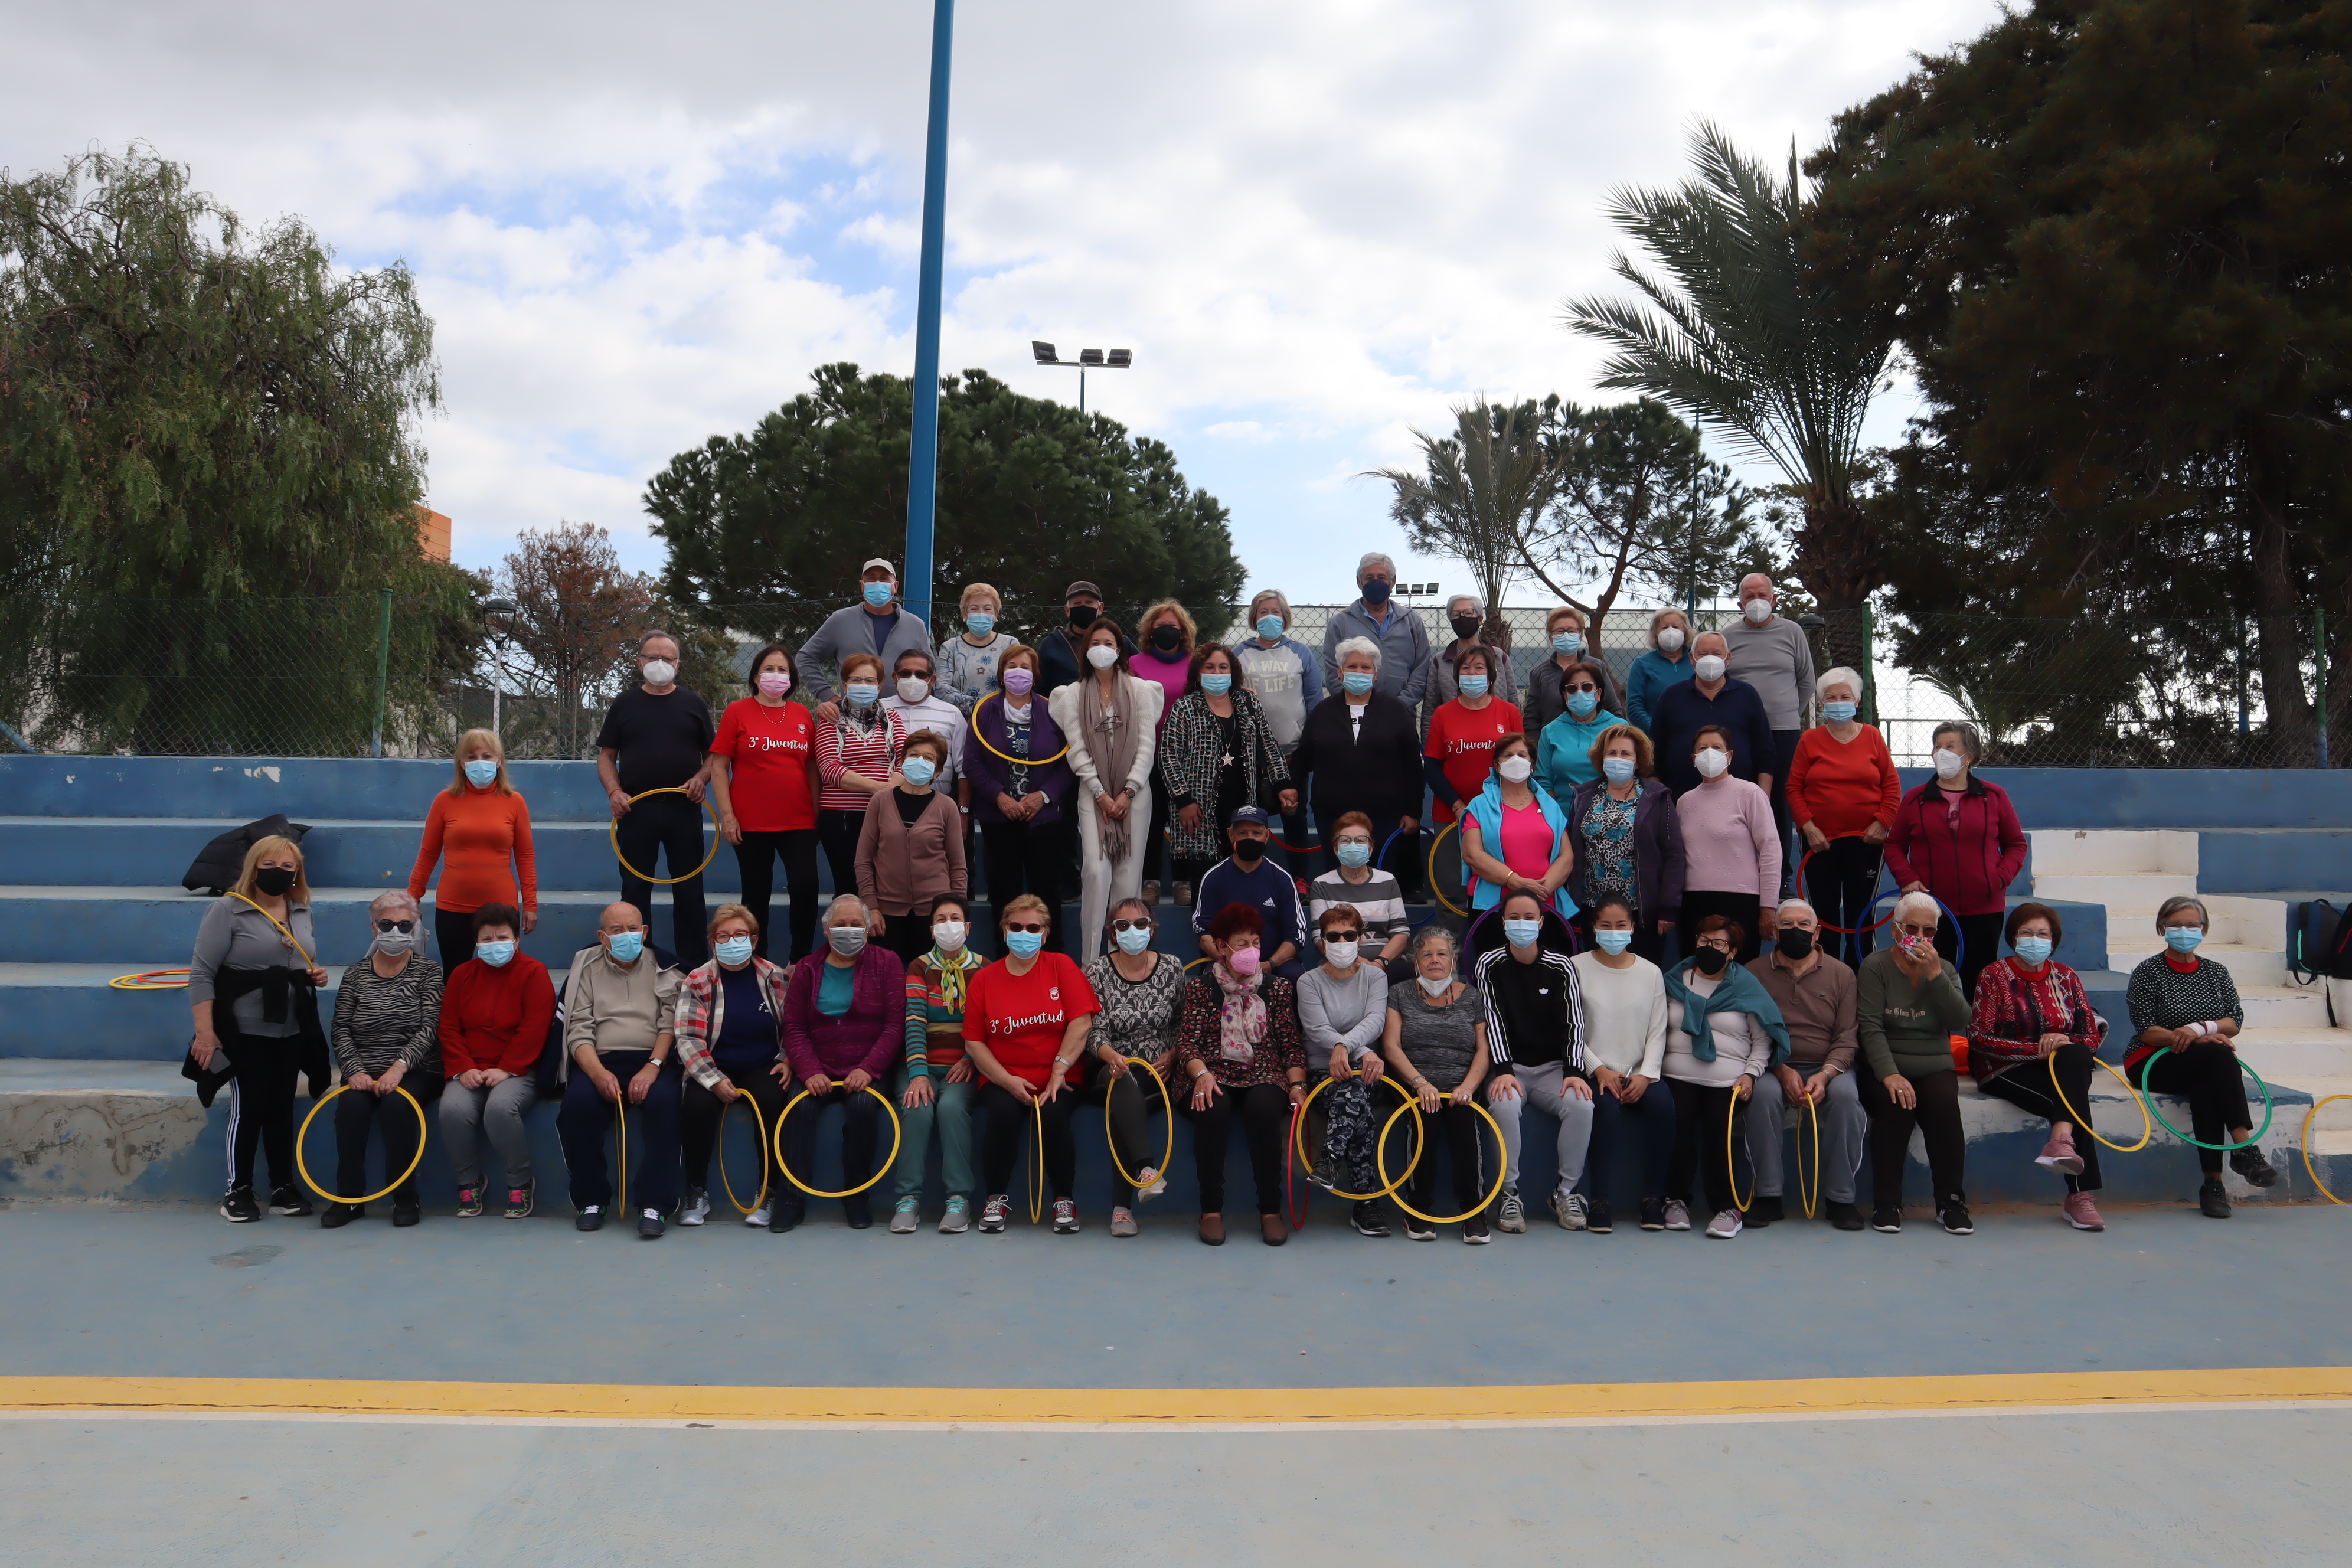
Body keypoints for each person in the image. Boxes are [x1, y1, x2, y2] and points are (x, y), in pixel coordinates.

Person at [190, 834, 329, 1224]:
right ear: (254, 868)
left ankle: (282, 1187)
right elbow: (202, 974)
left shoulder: (300, 909)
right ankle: (238, 1190)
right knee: (248, 1107)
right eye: (269, 866)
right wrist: (205, 1034)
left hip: (290, 1029)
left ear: (297, 870)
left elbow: (298, 959)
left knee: (281, 1108)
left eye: (288, 866)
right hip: (243, 1030)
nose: (279, 873)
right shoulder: (228, 910)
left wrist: (312, 975)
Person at [2124, 896, 2283, 1217]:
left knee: (2209, 1081)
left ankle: (2213, 1186)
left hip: (2204, 1061)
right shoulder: (2148, 972)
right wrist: (2195, 1039)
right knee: (2218, 1054)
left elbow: (2233, 1021)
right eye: (2176, 925)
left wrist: (2200, 1029)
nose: (2185, 930)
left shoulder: (2215, 972)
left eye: (2193, 925)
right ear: (2162, 928)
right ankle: (2243, 1148)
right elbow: (2147, 1030)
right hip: (2153, 1059)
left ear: (2204, 929)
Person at [961, 894, 1101, 1235]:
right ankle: (995, 1198)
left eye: (1033, 927)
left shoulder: (1061, 966)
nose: (1025, 933)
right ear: (1004, 929)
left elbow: (1082, 1022)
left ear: (1046, 932)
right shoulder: (984, 979)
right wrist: (1007, 1081)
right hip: (1002, 1076)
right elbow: (974, 1042)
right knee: (1004, 1114)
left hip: (1061, 1074)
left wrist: (1059, 1070)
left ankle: (1064, 1201)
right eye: (1017, 926)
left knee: (1054, 1114)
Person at [1173, 903, 1308, 1245]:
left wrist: (1296, 1085)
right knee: (1213, 1109)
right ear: (1221, 947)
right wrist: (1201, 1074)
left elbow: (1291, 1045)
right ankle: (1211, 1210)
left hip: (1263, 1070)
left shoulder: (1277, 989)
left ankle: (1271, 1211)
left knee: (1263, 1110)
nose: (1251, 950)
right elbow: (1187, 1043)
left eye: (1256, 942)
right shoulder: (1201, 988)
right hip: (1209, 1070)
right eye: (1242, 943)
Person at [1969, 902, 2108, 1231]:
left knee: (2074, 1053)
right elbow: (1979, 1038)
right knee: (2075, 1103)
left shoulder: (2067, 976)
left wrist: (2061, 1042)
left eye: (2042, 934)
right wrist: (2037, 1050)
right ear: (2013, 937)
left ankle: (2061, 1141)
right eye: (2026, 932)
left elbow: (2091, 1036)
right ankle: (2080, 1196)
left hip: (2060, 1068)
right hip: (2004, 1068)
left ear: (2054, 940)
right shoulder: (1994, 975)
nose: (2035, 939)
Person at [776, 894, 907, 1231]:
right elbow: (793, 1026)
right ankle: (791, 1200)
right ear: (826, 930)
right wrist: (809, 1070)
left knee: (863, 1106)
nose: (848, 930)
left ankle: (856, 1197)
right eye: (840, 924)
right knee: (797, 1110)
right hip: (817, 1066)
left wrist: (868, 1068)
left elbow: (895, 1025)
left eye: (855, 924)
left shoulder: (888, 962)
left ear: (867, 929)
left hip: (868, 1067)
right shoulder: (806, 968)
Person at [556, 901, 684, 1239]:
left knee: (666, 1104)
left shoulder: (666, 968)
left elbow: (670, 1025)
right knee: (577, 1106)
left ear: (644, 932)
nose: (626, 936)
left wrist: (653, 1067)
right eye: (616, 930)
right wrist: (597, 1073)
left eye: (632, 929)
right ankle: (591, 1200)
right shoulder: (585, 969)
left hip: (652, 1060)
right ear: (602, 936)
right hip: (600, 1060)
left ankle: (655, 1205)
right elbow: (578, 1030)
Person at [1660, 914, 1788, 1239]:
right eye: (1704, 941)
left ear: (1732, 951)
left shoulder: (1746, 986)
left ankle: (1727, 1208)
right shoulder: (1673, 981)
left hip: (1728, 1081)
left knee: (1720, 1127)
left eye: (1719, 943)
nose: (1710, 948)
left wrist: (1750, 1075)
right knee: (1679, 1123)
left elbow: (1763, 1040)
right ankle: (1674, 1200)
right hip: (1677, 1074)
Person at [1743, 898, 1867, 1231]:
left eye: (1803, 925)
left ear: (1817, 932)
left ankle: (1841, 1199)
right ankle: (1768, 1196)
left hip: (1830, 1067)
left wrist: (1826, 1076)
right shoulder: (1753, 973)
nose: (1795, 931)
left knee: (1846, 1100)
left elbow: (1847, 1037)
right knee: (1762, 1097)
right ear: (1774, 930)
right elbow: (1749, 1033)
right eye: (1787, 925)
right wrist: (1780, 1068)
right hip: (1773, 1065)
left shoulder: (1842, 975)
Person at [1856, 892, 1976, 1235]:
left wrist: (1935, 974)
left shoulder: (1946, 970)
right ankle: (1887, 1202)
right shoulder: (1875, 966)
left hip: (1934, 1061)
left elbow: (1960, 1017)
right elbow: (1870, 1027)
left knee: (1943, 1107)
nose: (1921, 938)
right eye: (1912, 928)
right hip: (1887, 1061)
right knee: (1894, 1108)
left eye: (1929, 931)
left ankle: (1950, 1201)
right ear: (1895, 930)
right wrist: (1890, 1074)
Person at [322, 891, 444, 1228]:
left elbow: (430, 1027)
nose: (395, 931)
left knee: (397, 1107)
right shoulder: (356, 974)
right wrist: (354, 1071)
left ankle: (405, 1196)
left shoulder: (429, 972)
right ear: (374, 928)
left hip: (418, 1070)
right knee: (350, 1108)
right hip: (364, 1069)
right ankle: (348, 1199)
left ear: (416, 928)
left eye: (405, 925)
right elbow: (341, 1028)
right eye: (387, 924)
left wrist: (399, 1068)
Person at [1475, 889, 1594, 1234]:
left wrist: (1574, 1071)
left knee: (1582, 1105)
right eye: (1514, 917)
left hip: (1553, 1070)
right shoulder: (1488, 964)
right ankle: (1509, 1194)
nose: (1522, 924)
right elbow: (1492, 1019)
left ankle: (1566, 1193)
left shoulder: (1562, 967)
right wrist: (1504, 1071)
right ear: (1503, 922)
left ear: (1541, 923)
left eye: (1529, 918)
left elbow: (1573, 1021)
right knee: (1504, 1106)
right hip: (1508, 1068)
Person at [1047, 617, 1165, 962]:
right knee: (1097, 873)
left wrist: (1128, 792)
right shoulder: (1069, 695)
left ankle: (1122, 959)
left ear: (1119, 650)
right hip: (1093, 793)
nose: (1103, 649)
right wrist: (1100, 794)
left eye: (1109, 644)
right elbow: (1077, 748)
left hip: (1135, 794)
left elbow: (1147, 745)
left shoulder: (1143, 690)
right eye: (1095, 643)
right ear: (1087, 651)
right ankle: (1090, 963)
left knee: (1128, 879)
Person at [1883, 720, 2027, 999]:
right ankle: (1934, 1039)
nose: (1941, 752)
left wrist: (2000, 877)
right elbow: (1894, 845)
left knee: (1980, 979)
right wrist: (1907, 878)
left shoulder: (1994, 796)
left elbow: (2016, 844)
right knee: (1930, 976)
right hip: (1931, 909)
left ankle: (1976, 1037)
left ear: (1969, 756)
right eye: (1937, 746)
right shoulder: (1915, 799)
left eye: (1950, 746)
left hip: (1985, 907)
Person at [596, 631, 716, 967]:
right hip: (636, 811)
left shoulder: (693, 703)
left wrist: (700, 779)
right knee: (634, 891)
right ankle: (635, 963)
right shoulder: (624, 703)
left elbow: (713, 756)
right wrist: (615, 791)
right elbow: (606, 756)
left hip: (684, 810)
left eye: (667, 658)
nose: (659, 664)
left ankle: (693, 967)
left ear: (678, 664)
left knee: (690, 893)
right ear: (639, 663)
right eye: (652, 657)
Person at [673, 904, 794, 1230]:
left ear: (754, 940)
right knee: (696, 1106)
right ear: (713, 943)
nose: (732, 941)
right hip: (715, 1064)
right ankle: (696, 1191)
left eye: (740, 935)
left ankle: (768, 1191)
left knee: (773, 1102)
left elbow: (793, 1027)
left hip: (762, 1064)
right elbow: (687, 1037)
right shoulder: (697, 980)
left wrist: (786, 1060)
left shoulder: (775, 976)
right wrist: (714, 1081)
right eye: (723, 936)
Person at [437, 901, 553, 1221]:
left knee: (501, 1109)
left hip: (518, 1069)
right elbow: (448, 1027)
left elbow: (535, 1026)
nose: (494, 945)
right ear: (476, 943)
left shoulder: (534, 972)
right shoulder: (462, 975)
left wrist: (507, 1067)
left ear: (516, 940)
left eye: (501, 937)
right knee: (452, 1110)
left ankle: (520, 1181)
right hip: (469, 1067)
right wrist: (464, 1067)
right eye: (486, 940)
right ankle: (469, 1182)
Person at [708, 643, 822, 963]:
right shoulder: (737, 711)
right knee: (756, 893)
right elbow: (719, 766)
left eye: (782, 670)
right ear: (756, 676)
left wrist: (816, 811)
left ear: (792, 677)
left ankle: (800, 959)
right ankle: (758, 962)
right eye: (768, 669)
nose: (776, 675)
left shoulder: (801, 714)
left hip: (798, 820)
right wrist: (727, 816)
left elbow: (812, 766)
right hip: (751, 822)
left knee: (806, 887)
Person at [1081, 897, 1186, 1238]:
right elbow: (1093, 1030)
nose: (1133, 930)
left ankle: (1121, 1210)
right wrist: (1111, 1057)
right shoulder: (1096, 971)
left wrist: (1173, 1054)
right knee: (1124, 1086)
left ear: (1152, 929)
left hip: (1162, 1071)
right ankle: (1146, 1170)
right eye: (1123, 925)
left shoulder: (1172, 967)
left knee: (1124, 1103)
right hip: (1110, 1067)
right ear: (1113, 933)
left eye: (1140, 923)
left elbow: (1185, 1023)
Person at [1384, 925, 1496, 1243]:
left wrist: (1469, 1087)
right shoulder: (1399, 993)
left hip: (1461, 1083)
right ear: (1415, 962)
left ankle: (1474, 1212)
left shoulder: (1472, 996)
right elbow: (1391, 1046)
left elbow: (1483, 1049)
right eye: (1427, 954)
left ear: (1454, 959)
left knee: (1464, 1120)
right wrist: (1420, 1083)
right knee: (1425, 1119)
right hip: (1415, 1083)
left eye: (1442, 953)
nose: (1435, 960)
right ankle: (1417, 1209)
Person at [962, 644, 1075, 956]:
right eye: (1011, 666)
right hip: (1000, 816)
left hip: (1044, 817)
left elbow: (1068, 762)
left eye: (1025, 666)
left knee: (1047, 891)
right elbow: (972, 763)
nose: (1018, 672)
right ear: (1001, 674)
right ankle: (1005, 956)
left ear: (1035, 674)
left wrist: (1043, 796)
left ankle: (1052, 956)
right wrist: (999, 797)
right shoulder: (985, 710)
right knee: (1003, 891)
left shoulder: (1052, 708)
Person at [1785, 668, 1900, 966]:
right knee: (1824, 913)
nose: (1838, 702)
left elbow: (1891, 785)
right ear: (1822, 704)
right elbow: (1794, 787)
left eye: (1845, 696)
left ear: (1857, 701)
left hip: (1866, 841)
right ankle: (1826, 974)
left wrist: (1882, 822)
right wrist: (1808, 828)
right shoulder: (1810, 739)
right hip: (1820, 842)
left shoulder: (1873, 737)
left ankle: (1861, 977)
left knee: (1860, 914)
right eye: (1831, 698)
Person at [1573, 894, 1672, 1234]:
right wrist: (1597, 1068)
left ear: (1632, 928)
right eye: (1605, 925)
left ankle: (1653, 1199)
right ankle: (1599, 1199)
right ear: (1593, 927)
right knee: (1605, 1111)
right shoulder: (1575, 967)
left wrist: (1646, 1076)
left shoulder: (1651, 973)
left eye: (1620, 926)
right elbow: (1571, 1027)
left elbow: (1658, 1030)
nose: (1613, 932)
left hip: (1640, 1073)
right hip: (1595, 1072)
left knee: (1663, 1108)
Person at [890, 897, 989, 1234]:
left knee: (950, 1109)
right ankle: (907, 1200)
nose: (949, 924)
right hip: (921, 1064)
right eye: (941, 919)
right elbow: (914, 1021)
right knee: (916, 1107)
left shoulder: (984, 968)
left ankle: (958, 1199)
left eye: (955, 918)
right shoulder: (919, 966)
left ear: (967, 927)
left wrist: (971, 1059)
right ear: (932, 929)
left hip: (964, 1066)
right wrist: (918, 1074)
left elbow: (985, 1025)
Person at [1162, 641, 1293, 897]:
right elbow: (1168, 757)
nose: (1217, 673)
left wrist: (1284, 784)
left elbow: (1269, 746)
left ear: (1233, 672)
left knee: (1244, 879)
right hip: (1197, 810)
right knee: (1208, 884)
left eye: (1223, 667)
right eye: (1209, 667)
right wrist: (1184, 800)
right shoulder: (1184, 708)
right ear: (1198, 674)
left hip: (1242, 806)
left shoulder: (1249, 703)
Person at [1297, 903, 1397, 1236]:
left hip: (1370, 1071)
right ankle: (1365, 1204)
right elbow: (1316, 1028)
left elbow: (1376, 1020)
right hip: (1322, 1073)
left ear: (1361, 937)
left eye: (1349, 934)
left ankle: (1329, 1158)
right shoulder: (1308, 981)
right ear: (1322, 941)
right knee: (1358, 1106)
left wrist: (1351, 1049)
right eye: (1333, 935)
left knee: (1356, 1089)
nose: (1342, 941)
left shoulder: (1375, 976)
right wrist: (1352, 1049)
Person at [1291, 637, 1423, 885]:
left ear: (1375, 675)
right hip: (1332, 816)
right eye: (1352, 667)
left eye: (1366, 667)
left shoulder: (1396, 711)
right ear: (1339, 673)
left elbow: (1413, 767)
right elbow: (1302, 759)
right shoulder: (1322, 712)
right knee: (1337, 881)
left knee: (1380, 882)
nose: (1359, 672)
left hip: (1384, 818)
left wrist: (1413, 811)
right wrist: (1289, 789)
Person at [408, 729, 537, 968]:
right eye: (472, 757)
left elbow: (525, 856)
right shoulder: (444, 800)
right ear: (462, 763)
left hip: (501, 907)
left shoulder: (515, 802)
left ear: (499, 761)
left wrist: (530, 904)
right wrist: (412, 898)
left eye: (487, 756)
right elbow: (428, 853)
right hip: (452, 905)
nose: (480, 762)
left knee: (502, 975)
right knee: (455, 975)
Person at [1721, 573, 1818, 889]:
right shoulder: (1728, 635)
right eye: (1749, 596)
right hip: (1740, 735)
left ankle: (1781, 876)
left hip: (1783, 731)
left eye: (1762, 594)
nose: (1756, 600)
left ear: (1774, 598)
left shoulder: (1792, 632)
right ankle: (1740, 870)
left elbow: (1806, 681)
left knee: (1779, 802)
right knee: (1739, 801)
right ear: (1740, 603)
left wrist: (1789, 712)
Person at [1568, 724, 1685, 963]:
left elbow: (1674, 855)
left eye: (1625, 754)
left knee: (1641, 974)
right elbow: (1573, 848)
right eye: (1611, 753)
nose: (1618, 759)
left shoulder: (1657, 798)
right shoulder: (1585, 796)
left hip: (1642, 912)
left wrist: (1667, 908)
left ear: (1638, 761)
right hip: (1594, 909)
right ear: (1601, 758)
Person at [1232, 589, 1325, 878]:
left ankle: (1299, 879)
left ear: (1284, 617)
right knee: (1249, 817)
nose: (1270, 617)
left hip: (1292, 752)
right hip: (1250, 755)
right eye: (1263, 612)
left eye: (1275, 612)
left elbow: (1314, 701)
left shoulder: (1301, 652)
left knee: (1294, 815)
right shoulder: (1239, 654)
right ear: (1253, 618)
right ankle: (1247, 874)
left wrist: (1309, 746)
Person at [855, 727, 968, 963]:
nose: (919, 761)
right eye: (913, 755)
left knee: (933, 986)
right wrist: (871, 908)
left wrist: (956, 916)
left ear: (937, 771)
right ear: (902, 761)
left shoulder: (946, 806)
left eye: (928, 758)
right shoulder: (880, 801)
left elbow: (958, 866)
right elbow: (864, 860)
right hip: (886, 914)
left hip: (933, 915)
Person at [1675, 724, 1781, 965]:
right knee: (1697, 972)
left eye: (1716, 747)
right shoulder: (1684, 802)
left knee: (1738, 974)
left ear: (1730, 755)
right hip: (1694, 902)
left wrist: (1768, 907)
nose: (1709, 753)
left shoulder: (1750, 794)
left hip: (1741, 902)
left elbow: (1771, 850)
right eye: (1702, 749)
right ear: (1693, 758)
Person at [814, 649, 909, 905]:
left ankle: (879, 946)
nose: (863, 686)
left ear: (880, 686)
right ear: (845, 685)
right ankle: (849, 940)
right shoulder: (831, 719)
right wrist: (882, 789)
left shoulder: (893, 718)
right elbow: (830, 769)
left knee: (882, 887)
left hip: (885, 813)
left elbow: (905, 760)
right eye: (856, 680)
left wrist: (890, 789)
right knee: (849, 887)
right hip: (842, 816)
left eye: (870, 681)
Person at [1459, 734, 1578, 936]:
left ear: (1532, 765)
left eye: (1522, 755)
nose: (1516, 760)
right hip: (1493, 909)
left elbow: (1566, 856)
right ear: (1497, 765)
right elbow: (1472, 854)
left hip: (1545, 906)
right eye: (1508, 755)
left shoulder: (1550, 806)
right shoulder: (1479, 806)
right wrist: (1515, 881)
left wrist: (1541, 889)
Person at [793, 558, 935, 716]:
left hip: (904, 715)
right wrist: (827, 695)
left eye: (884, 578)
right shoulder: (840, 620)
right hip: (852, 716)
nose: (878, 583)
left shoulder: (915, 625)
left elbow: (929, 670)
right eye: (872, 578)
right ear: (862, 586)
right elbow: (806, 657)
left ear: (895, 587)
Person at [1649, 630, 1776, 799]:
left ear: (1728, 658)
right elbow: (1655, 752)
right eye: (1703, 654)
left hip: (1740, 800)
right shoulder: (1671, 696)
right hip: (1679, 798)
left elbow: (1765, 751)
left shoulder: (1747, 694)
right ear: (1692, 659)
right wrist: (1656, 798)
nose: (1710, 659)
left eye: (1717, 653)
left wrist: (1763, 797)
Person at [1191, 807, 1309, 980]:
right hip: (1227, 962)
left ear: (1267, 836)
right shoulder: (1214, 877)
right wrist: (1231, 963)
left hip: (1273, 963)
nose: (1250, 838)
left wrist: (1269, 965)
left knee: (1295, 976)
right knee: (1210, 980)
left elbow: (1296, 934)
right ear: (1231, 835)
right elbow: (1202, 930)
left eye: (1256, 833)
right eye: (1243, 833)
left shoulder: (1282, 878)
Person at [1131, 599, 1197, 904]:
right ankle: (1151, 881)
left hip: (1188, 756)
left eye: (1172, 626)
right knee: (1152, 820)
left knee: (1186, 821)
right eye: (1160, 627)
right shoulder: (1135, 664)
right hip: (1148, 755)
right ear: (1149, 631)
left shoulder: (1197, 663)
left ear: (1183, 631)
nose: (1167, 631)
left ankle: (1183, 880)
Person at [1422, 645, 1523, 835]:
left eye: (1479, 667)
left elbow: (1521, 762)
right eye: (1465, 668)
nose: (1472, 672)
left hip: (1500, 810)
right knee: (1450, 866)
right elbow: (1432, 768)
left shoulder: (1510, 712)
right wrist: (1457, 806)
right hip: (1450, 813)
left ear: (1490, 676)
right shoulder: (1442, 714)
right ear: (1457, 676)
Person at [1306, 812, 1412, 974]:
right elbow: (1319, 937)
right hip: (1340, 962)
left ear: (1370, 848)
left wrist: (1380, 962)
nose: (1353, 845)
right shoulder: (1321, 884)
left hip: (1386, 963)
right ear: (1336, 849)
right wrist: (1355, 961)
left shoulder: (1388, 881)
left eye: (1360, 840)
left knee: (1402, 971)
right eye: (1345, 841)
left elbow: (1401, 932)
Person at [1320, 551, 1430, 704]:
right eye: (1369, 578)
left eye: (1382, 577)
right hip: (1354, 716)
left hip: (1402, 715)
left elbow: (1421, 669)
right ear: (1359, 582)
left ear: (1393, 581)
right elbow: (1333, 673)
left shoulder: (1412, 622)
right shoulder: (1339, 623)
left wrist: (1400, 706)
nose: (1376, 582)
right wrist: (1358, 706)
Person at [880, 647, 969, 802]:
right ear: (895, 677)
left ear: (932, 680)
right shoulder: (878, 710)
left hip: (938, 803)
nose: (913, 679)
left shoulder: (952, 714)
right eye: (906, 674)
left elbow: (964, 767)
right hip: (886, 802)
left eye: (921, 674)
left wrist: (963, 810)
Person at [1535, 659, 1629, 799]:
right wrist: (1554, 814)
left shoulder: (1619, 729)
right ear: (1565, 696)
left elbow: (1632, 774)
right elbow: (1543, 780)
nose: (1580, 692)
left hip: (1609, 813)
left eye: (1586, 687)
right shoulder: (1550, 732)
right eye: (1572, 688)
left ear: (1599, 694)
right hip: (1564, 814)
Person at [1422, 593, 1520, 721]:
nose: (1462, 618)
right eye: (1456, 615)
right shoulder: (1440, 662)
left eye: (1468, 613)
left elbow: (1513, 700)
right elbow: (1430, 708)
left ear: (1480, 619)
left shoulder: (1499, 657)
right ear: (1451, 621)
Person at [1524, 606, 1625, 731]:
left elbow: (1613, 708)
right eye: (1560, 631)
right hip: (1553, 741)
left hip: (1597, 742)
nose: (1566, 635)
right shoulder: (1539, 673)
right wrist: (1539, 747)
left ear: (1580, 636)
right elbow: (1532, 718)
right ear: (1551, 638)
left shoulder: (1597, 667)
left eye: (1572, 631)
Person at [1036, 580, 1136, 697]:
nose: (1083, 607)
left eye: (1089, 602)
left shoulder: (1121, 642)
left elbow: (1140, 671)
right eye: (1077, 603)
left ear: (1100, 608)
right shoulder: (1050, 644)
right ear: (1067, 610)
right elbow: (1039, 690)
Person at [936, 582, 1014, 714]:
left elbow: (1018, 682)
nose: (981, 613)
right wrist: (977, 706)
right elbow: (941, 688)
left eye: (987, 609)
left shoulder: (1010, 645)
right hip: (961, 720)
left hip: (1002, 717)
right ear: (964, 614)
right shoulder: (950, 648)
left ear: (996, 614)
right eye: (974, 609)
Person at [1625, 608, 1694, 736]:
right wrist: (1657, 731)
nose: (1671, 631)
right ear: (1655, 635)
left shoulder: (1696, 661)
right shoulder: (1642, 664)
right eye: (1664, 628)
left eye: (1675, 627)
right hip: (1656, 739)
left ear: (1685, 633)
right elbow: (1634, 707)